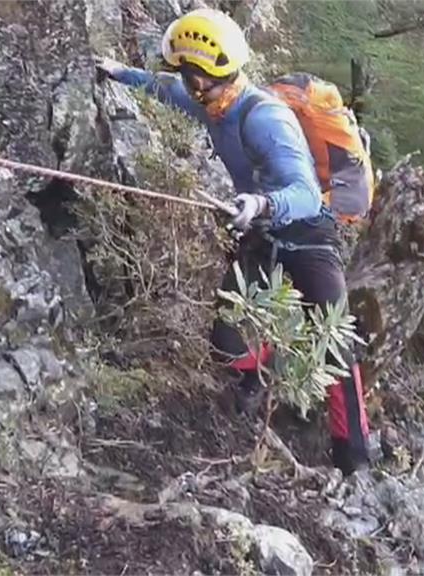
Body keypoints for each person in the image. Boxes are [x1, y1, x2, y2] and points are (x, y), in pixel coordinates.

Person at [94, 9, 370, 475]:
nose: (193, 89)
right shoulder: (210, 102)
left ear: (222, 76)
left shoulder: (266, 120)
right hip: (263, 233)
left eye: (198, 81)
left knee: (335, 347)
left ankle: (354, 459)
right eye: (189, 78)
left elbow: (303, 194)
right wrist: (122, 74)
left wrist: (260, 206)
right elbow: (168, 91)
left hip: (308, 233)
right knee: (225, 338)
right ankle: (259, 380)